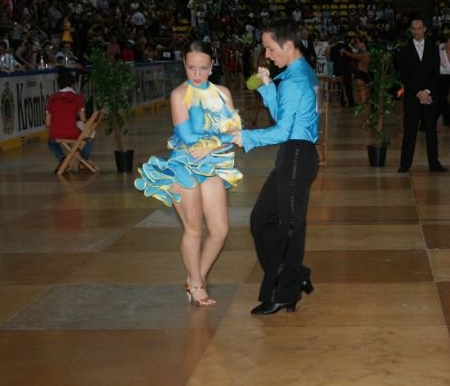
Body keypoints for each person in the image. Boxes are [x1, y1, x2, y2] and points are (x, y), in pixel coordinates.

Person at [134, 40, 243, 307]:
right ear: (184, 64)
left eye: (203, 68)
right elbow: (186, 135)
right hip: (184, 164)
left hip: (211, 163)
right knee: (193, 228)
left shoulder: (223, 93)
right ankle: (196, 285)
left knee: (219, 230)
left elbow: (234, 133)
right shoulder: (178, 94)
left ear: (212, 66)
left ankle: (195, 277)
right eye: (192, 67)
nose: (197, 74)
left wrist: (217, 143)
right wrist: (218, 140)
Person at [231, 18, 319, 316]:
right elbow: (284, 114)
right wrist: (268, 87)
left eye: (270, 49)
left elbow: (283, 130)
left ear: (288, 45)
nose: (267, 55)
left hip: (296, 154)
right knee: (261, 219)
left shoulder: (296, 79)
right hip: (293, 155)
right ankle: (296, 275)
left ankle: (284, 292)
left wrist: (246, 137)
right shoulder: (297, 72)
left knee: (290, 227)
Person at [397, 17, 448, 173]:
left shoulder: (434, 48)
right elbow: (404, 75)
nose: (417, 31)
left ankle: (434, 163)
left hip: (430, 96)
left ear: (425, 29)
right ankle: (405, 164)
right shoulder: (404, 50)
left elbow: (436, 73)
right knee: (410, 130)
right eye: (414, 28)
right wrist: (418, 92)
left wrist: (427, 91)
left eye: (420, 28)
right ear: (411, 30)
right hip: (412, 97)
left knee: (431, 130)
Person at [45, 66, 93, 173]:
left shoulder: (51, 98)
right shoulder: (77, 97)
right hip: (72, 133)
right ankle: (83, 161)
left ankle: (62, 159)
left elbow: (47, 123)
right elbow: (83, 119)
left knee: (50, 141)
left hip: (55, 133)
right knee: (90, 136)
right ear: (72, 84)